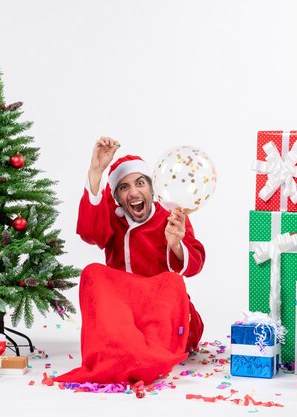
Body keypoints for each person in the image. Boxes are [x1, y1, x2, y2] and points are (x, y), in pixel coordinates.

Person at [54, 137, 206, 385]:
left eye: (140, 183)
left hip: (163, 313)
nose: (134, 192)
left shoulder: (172, 217)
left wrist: (176, 244)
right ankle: (127, 350)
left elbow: (196, 264)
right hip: (125, 315)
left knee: (172, 282)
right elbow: (90, 233)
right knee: (93, 272)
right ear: (117, 197)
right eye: (124, 187)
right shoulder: (112, 218)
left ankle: (140, 355)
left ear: (151, 188)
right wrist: (96, 171)